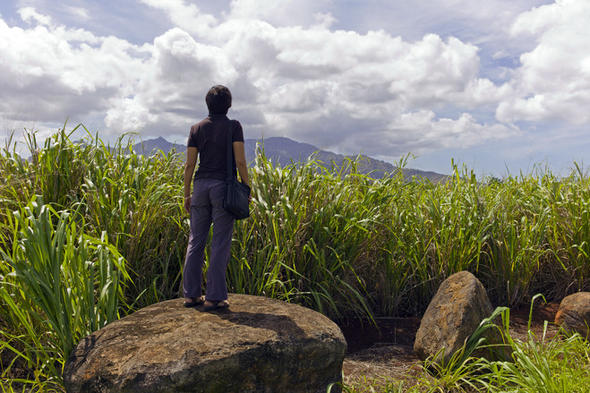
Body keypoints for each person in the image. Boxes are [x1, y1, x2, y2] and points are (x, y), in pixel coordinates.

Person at [182, 85, 250, 311]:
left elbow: (190, 164)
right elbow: (240, 161)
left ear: (207, 104)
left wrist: (186, 193)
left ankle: (191, 295)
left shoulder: (196, 128)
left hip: (200, 186)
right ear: (229, 105)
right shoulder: (234, 127)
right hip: (223, 188)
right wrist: (247, 188)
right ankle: (214, 297)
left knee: (196, 241)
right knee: (220, 242)